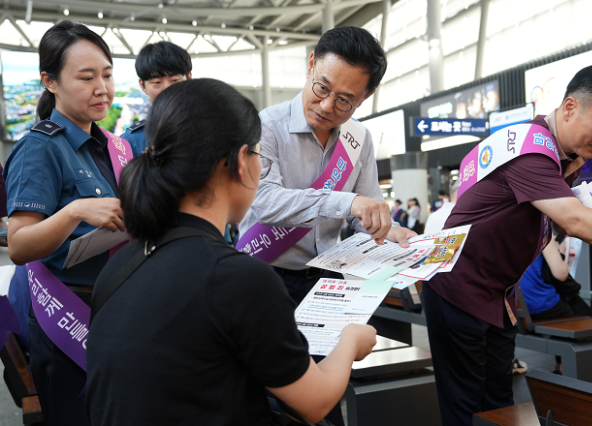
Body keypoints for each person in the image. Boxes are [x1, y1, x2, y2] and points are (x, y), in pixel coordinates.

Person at [85, 78, 378, 426]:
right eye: (259, 156)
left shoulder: (119, 267)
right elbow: (315, 402)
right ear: (242, 161)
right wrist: (349, 340)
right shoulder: (239, 279)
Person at [421, 63, 592, 426]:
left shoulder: (567, 157)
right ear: (569, 107)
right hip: (458, 290)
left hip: (499, 295)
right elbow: (575, 219)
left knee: (499, 404)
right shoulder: (530, 149)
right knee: (465, 407)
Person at [237, 27, 414, 424]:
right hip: (264, 275)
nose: (327, 105)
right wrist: (345, 200)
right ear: (311, 63)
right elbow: (264, 201)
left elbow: (364, 210)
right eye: (322, 88)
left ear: (365, 98)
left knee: (324, 391)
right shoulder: (266, 126)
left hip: (325, 283)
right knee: (268, 394)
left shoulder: (358, 140)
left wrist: (389, 230)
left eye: (345, 100)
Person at [3, 21, 131, 426]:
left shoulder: (114, 146)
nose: (102, 88)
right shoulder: (40, 148)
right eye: (87, 77)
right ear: (50, 81)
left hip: (117, 313)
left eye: (108, 75)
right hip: (67, 318)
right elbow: (20, 245)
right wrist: (75, 211)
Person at [520, 234, 592, 374]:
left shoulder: (504, 234)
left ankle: (561, 365)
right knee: (581, 315)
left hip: (519, 309)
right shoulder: (541, 233)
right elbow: (561, 274)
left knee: (568, 308)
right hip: (542, 306)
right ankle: (565, 367)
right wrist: (559, 251)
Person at [120, 41, 192, 157]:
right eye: (156, 82)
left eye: (175, 81)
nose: (167, 89)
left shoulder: (212, 130)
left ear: (189, 79)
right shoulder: (130, 143)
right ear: (143, 86)